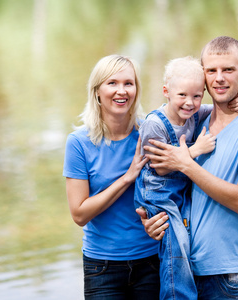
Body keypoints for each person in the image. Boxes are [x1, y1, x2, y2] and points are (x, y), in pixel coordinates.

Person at [139, 36, 238, 299]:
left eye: (228, 70)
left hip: (227, 279)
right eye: (211, 71)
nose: (219, 78)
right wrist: (154, 219)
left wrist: (186, 164)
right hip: (185, 272)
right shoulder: (196, 121)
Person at [63, 54, 161, 299]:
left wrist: (236, 98)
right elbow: (79, 214)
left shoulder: (151, 131)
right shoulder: (78, 143)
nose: (122, 91)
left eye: (129, 83)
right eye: (112, 83)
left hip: (151, 261)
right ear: (97, 91)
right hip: (102, 266)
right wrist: (127, 178)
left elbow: (187, 107)